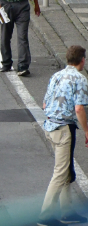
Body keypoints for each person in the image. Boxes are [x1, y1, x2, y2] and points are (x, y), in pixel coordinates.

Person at [37, 45, 88, 226]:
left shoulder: (56, 76)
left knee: (65, 169)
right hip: (64, 128)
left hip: (50, 125)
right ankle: (45, 215)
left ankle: (67, 211)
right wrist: (87, 131)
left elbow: (44, 104)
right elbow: (79, 108)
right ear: (82, 59)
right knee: (60, 173)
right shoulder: (79, 79)